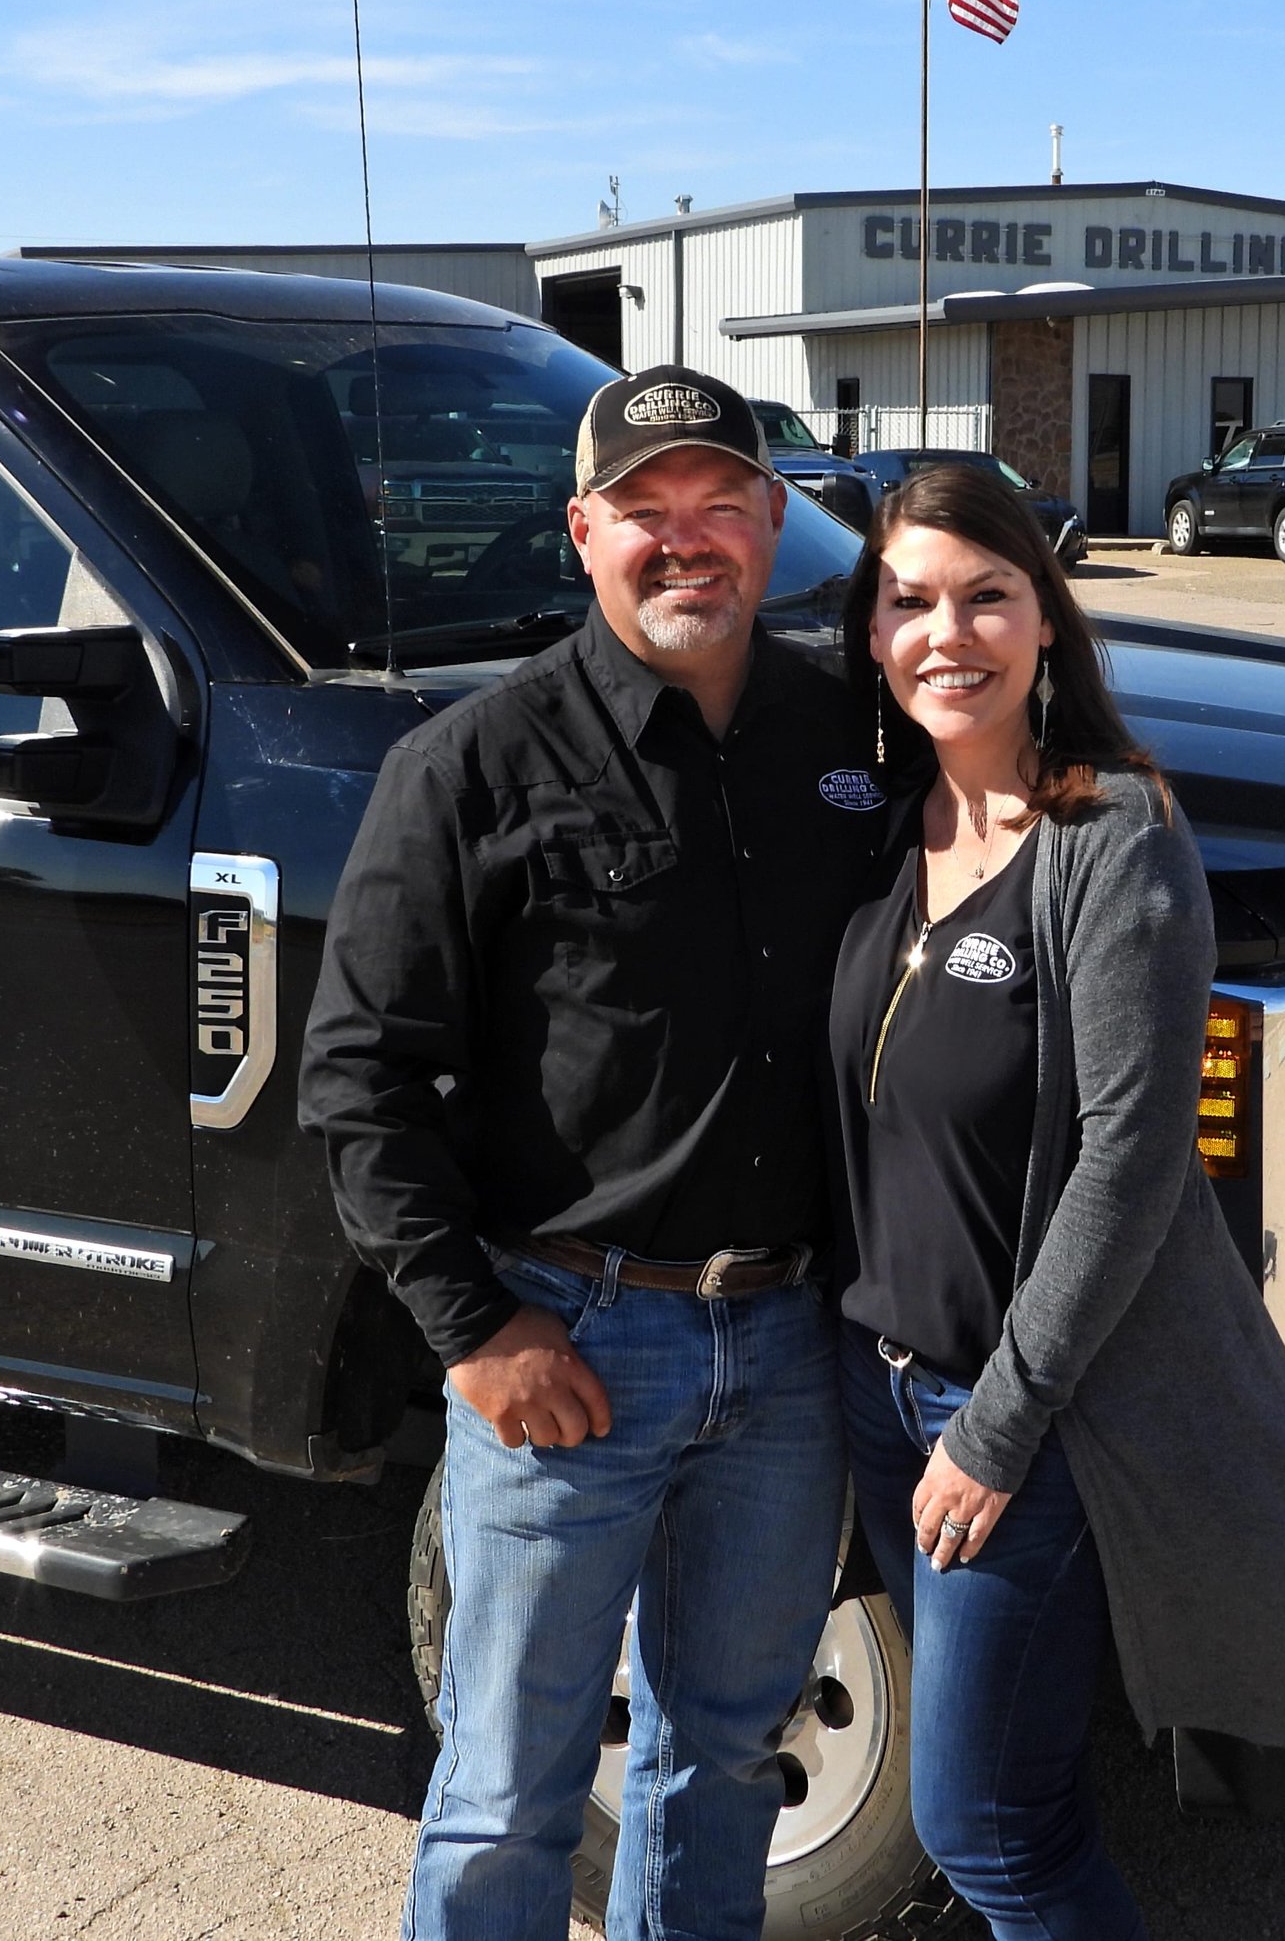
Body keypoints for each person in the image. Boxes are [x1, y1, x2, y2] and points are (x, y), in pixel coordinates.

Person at [300, 366, 883, 1941]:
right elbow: (356, 1080)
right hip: (572, 1343)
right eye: (646, 510)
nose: (684, 540)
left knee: (717, 1761)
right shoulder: (471, 767)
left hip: (785, 1346)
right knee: (507, 1786)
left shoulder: (854, 744)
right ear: (583, 531)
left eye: (718, 503)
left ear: (773, 521)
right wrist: (473, 1330)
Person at [828, 462, 1285, 1938]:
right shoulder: (880, 823)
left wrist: (999, 1421)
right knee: (999, 1781)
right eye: (910, 599)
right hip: (872, 1385)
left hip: (1013, 1421)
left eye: (988, 594)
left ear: (1048, 618)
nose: (948, 632)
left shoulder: (1113, 837)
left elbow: (1129, 1160)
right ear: (869, 629)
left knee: (986, 1822)